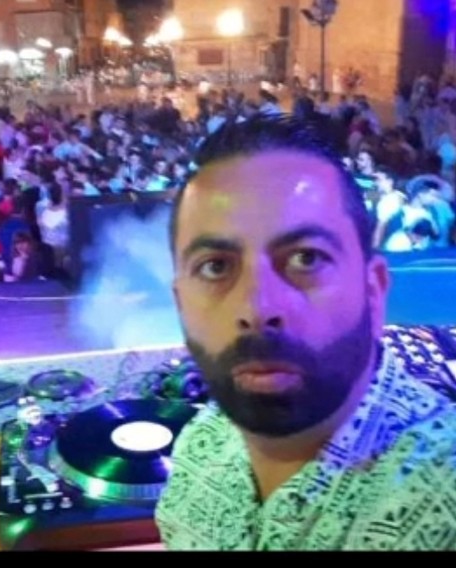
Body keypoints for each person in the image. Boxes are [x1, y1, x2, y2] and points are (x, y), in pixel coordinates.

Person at [156, 114, 456, 551]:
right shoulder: (198, 451)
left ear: (374, 290)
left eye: (306, 259)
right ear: (181, 303)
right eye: (216, 267)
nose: (258, 309)